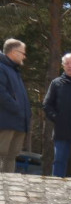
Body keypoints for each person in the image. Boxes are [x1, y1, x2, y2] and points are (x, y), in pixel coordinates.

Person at [0, 39, 31, 174]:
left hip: (19, 122)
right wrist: (16, 108)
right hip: (6, 121)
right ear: (13, 52)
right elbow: (1, 93)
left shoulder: (14, 70)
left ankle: (8, 187)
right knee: (1, 153)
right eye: (22, 53)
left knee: (11, 156)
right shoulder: (2, 68)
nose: (24, 56)